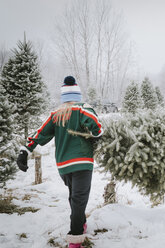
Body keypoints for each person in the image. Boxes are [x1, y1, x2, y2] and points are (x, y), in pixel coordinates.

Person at [16, 76, 103, 248]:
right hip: (82, 162)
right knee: (79, 199)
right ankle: (75, 238)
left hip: (63, 166)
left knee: (74, 197)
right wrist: (96, 135)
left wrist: (24, 151)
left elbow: (40, 133)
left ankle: (81, 222)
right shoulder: (83, 109)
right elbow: (97, 128)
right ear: (77, 94)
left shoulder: (56, 114)